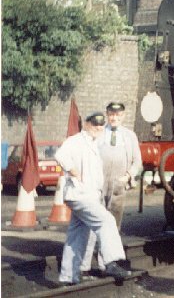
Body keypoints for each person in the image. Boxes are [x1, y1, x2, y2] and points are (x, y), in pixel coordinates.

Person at [55, 112, 133, 286]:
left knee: (77, 235)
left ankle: (69, 276)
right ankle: (112, 261)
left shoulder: (94, 143)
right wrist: (75, 173)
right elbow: (60, 155)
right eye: (95, 123)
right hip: (80, 195)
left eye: (101, 124)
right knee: (106, 220)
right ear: (86, 124)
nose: (99, 127)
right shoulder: (75, 140)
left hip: (87, 196)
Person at [81, 101, 142, 275]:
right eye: (111, 114)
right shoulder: (98, 133)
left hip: (118, 186)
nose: (114, 118)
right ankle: (83, 265)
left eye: (118, 115)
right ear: (107, 115)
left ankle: (105, 264)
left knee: (112, 227)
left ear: (123, 116)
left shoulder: (130, 136)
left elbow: (137, 161)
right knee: (93, 223)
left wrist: (128, 175)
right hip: (98, 185)